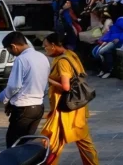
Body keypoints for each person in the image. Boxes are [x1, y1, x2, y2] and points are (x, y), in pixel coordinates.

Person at [40, 33, 99, 165]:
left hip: (65, 108)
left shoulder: (62, 62)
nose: (45, 49)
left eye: (46, 46)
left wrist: (47, 79)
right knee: (83, 141)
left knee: (53, 141)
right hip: (78, 105)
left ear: (54, 46)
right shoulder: (71, 54)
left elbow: (66, 87)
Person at [0, 31, 50, 148]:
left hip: (24, 108)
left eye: (9, 50)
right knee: (26, 143)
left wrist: (6, 100)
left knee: (13, 144)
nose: (10, 53)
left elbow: (13, 86)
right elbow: (46, 85)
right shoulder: (42, 57)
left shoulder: (21, 59)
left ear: (13, 46)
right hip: (38, 107)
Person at [93, 9, 123, 78]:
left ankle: (108, 71)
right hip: (111, 41)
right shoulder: (115, 22)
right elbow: (110, 34)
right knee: (97, 51)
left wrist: (120, 38)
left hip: (119, 42)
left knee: (103, 51)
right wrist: (103, 40)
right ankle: (104, 70)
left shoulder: (121, 20)